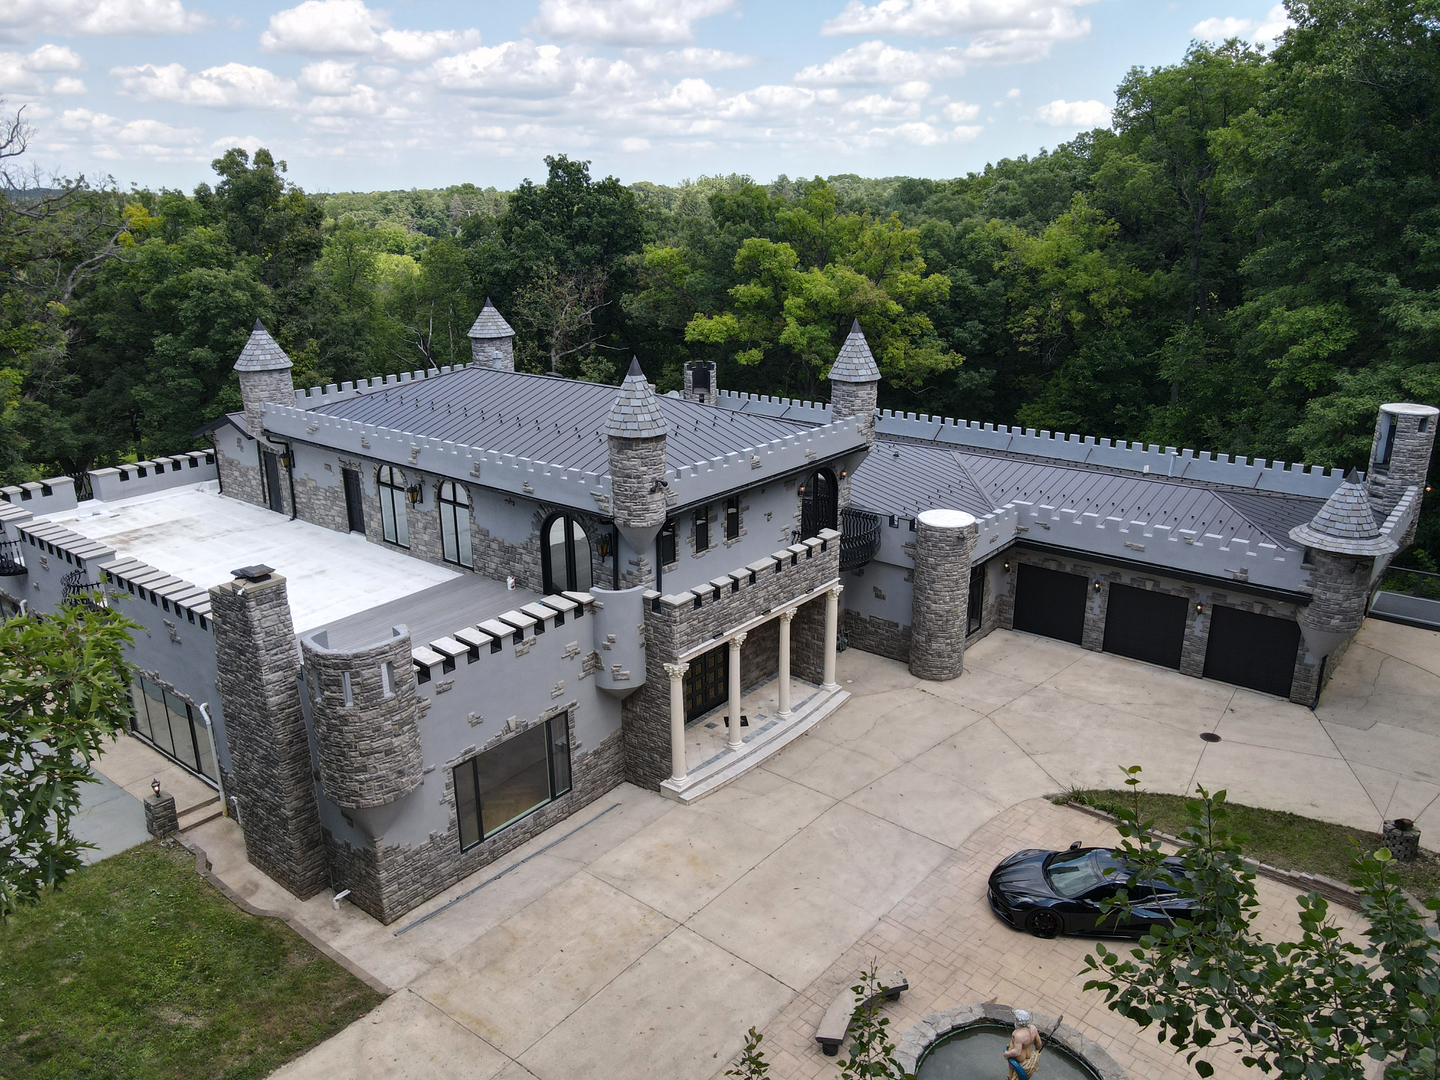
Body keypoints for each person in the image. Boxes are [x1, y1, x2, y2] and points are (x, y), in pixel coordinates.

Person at [1003, 1010, 1042, 1079]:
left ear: (1018, 1020)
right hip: (1028, 1054)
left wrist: (1006, 1054)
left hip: (1019, 1057)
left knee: (1013, 1074)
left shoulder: (1018, 1034)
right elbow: (1039, 1044)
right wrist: (1036, 1052)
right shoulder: (1033, 1028)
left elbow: (1017, 1052)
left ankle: (1011, 1077)